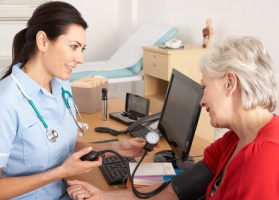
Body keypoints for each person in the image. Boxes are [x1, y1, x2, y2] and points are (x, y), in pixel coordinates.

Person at [66, 36, 279, 200]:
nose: (201, 99)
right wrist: (105, 196)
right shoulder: (233, 140)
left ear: (230, 83)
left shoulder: (265, 157)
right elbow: (175, 192)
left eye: (205, 87)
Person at [0, 1, 147, 199]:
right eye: (74, 47)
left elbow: (62, 146)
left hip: (65, 191)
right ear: (42, 41)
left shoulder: (61, 87)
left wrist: (113, 148)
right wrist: (62, 172)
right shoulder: (2, 104)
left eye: (82, 49)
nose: (80, 58)